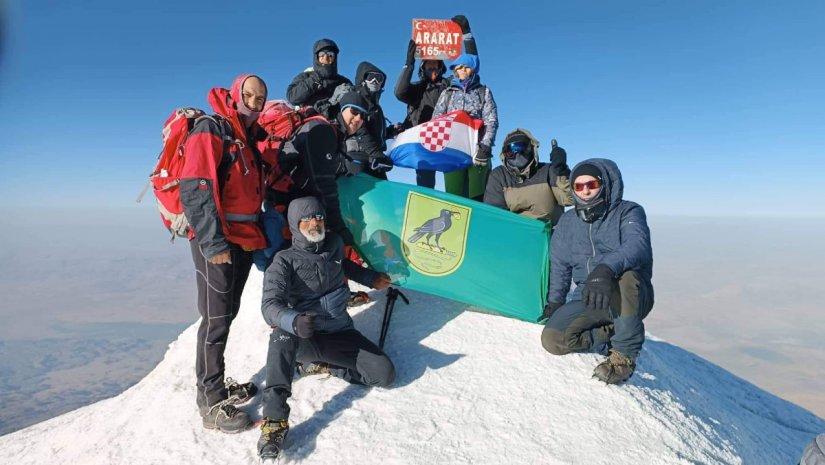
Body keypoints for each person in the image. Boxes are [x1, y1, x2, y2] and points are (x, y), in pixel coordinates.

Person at [257, 196, 395, 459]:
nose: (314, 223)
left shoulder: (333, 244)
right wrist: (293, 321)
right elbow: (269, 306)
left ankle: (326, 366)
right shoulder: (283, 260)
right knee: (280, 335)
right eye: (307, 219)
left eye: (318, 216)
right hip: (302, 337)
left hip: (338, 331)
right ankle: (274, 421)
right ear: (296, 224)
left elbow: (344, 266)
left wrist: (370, 277)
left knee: (384, 375)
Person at [181, 74, 268, 432]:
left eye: (260, 97)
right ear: (235, 95)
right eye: (248, 95)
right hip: (217, 239)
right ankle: (211, 402)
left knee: (226, 314)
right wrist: (214, 243)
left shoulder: (246, 137)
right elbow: (196, 184)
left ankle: (215, 382)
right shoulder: (212, 127)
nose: (254, 101)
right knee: (215, 318)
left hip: (243, 237)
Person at [539, 158, 654, 385]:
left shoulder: (628, 211)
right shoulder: (568, 221)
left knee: (627, 275)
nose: (586, 191)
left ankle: (623, 358)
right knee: (553, 339)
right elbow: (560, 265)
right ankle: (609, 331)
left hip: (629, 295)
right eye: (579, 186)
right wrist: (555, 302)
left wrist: (605, 269)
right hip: (590, 297)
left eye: (591, 184)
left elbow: (637, 245)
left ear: (604, 183)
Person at [394, 15, 478, 189]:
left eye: (436, 66)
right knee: (425, 185)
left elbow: (471, 68)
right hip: (424, 142)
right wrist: (408, 65)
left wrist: (467, 35)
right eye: (428, 66)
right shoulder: (417, 90)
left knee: (456, 181)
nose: (433, 70)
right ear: (422, 69)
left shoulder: (449, 86)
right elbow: (399, 92)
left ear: (441, 68)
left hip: (450, 138)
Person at [431, 16, 498, 201]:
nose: (461, 70)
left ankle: (477, 228)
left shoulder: (483, 91)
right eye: (457, 67)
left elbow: (491, 120)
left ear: (473, 68)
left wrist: (485, 147)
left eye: (465, 67)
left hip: (478, 151)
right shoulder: (448, 93)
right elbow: (437, 119)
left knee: (477, 196)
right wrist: (439, 144)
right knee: (454, 197)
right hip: (453, 151)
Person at [483, 129, 573, 226]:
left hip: (549, 234)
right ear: (504, 154)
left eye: (522, 148)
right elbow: (495, 214)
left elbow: (570, 199)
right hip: (516, 233)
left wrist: (562, 171)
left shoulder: (548, 171)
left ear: (531, 149)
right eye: (510, 151)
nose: (517, 153)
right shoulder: (499, 175)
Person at [286, 38, 352, 110]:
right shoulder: (306, 76)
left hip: (336, 120)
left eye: (330, 54)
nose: (326, 58)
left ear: (335, 58)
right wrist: (315, 80)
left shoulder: (344, 82)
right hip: (310, 118)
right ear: (316, 57)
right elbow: (292, 97)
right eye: (322, 54)